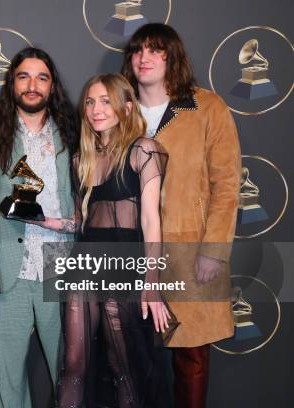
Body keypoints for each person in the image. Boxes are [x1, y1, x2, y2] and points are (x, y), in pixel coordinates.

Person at [122, 23, 241, 408]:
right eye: (139, 50)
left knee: (191, 356)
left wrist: (214, 251)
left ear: (172, 56)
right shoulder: (116, 109)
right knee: (127, 357)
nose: (145, 57)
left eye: (156, 49)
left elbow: (226, 185)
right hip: (125, 248)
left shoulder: (207, 107)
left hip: (189, 251)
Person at [57, 73, 171, 408]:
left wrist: (152, 284)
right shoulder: (81, 159)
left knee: (124, 368)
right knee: (74, 363)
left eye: (105, 100)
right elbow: (82, 221)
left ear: (127, 105)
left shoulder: (143, 151)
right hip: (86, 263)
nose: (95, 109)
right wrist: (41, 218)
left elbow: (152, 221)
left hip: (124, 266)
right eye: (90, 102)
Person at [0, 47, 78, 408]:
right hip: (9, 271)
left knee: (71, 374)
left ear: (52, 86)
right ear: (12, 83)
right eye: (24, 76)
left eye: (42, 77)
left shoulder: (75, 134)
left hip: (62, 269)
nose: (32, 85)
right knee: (8, 381)